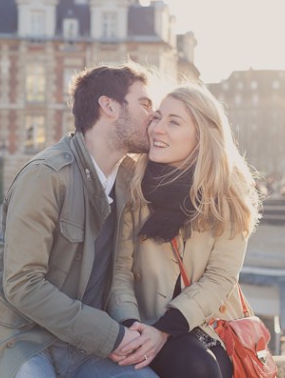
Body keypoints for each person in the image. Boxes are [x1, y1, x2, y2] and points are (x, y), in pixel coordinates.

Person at [0, 64, 160, 378]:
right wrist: (111, 337)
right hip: (24, 339)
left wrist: (127, 328)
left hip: (89, 346)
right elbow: (22, 285)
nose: (154, 115)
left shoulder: (129, 180)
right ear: (109, 106)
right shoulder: (46, 175)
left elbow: (121, 272)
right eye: (145, 104)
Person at [107, 84, 261, 378]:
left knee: (205, 367)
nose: (157, 129)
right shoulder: (132, 184)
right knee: (197, 368)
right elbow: (120, 272)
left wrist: (165, 330)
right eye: (158, 117)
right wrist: (132, 328)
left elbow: (220, 277)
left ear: (202, 135)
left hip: (207, 323)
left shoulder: (228, 193)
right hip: (143, 320)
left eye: (173, 122)